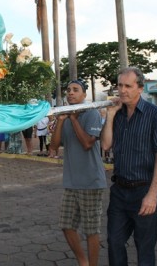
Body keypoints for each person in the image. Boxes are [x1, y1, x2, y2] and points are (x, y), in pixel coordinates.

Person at [101, 67, 157, 266]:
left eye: (128, 86)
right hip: (119, 192)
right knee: (114, 242)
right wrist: (109, 116)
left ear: (140, 88)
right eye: (120, 85)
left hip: (144, 191)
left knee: (144, 247)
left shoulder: (154, 114)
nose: (122, 90)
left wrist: (152, 195)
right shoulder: (117, 114)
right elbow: (106, 145)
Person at [51, 79, 107, 266]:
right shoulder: (65, 117)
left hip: (91, 181)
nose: (70, 93)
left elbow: (87, 144)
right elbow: (53, 147)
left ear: (84, 95)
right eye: (68, 90)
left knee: (91, 230)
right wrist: (60, 121)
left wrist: (74, 118)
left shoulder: (91, 113)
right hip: (71, 182)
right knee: (66, 226)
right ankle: (82, 261)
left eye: (75, 90)